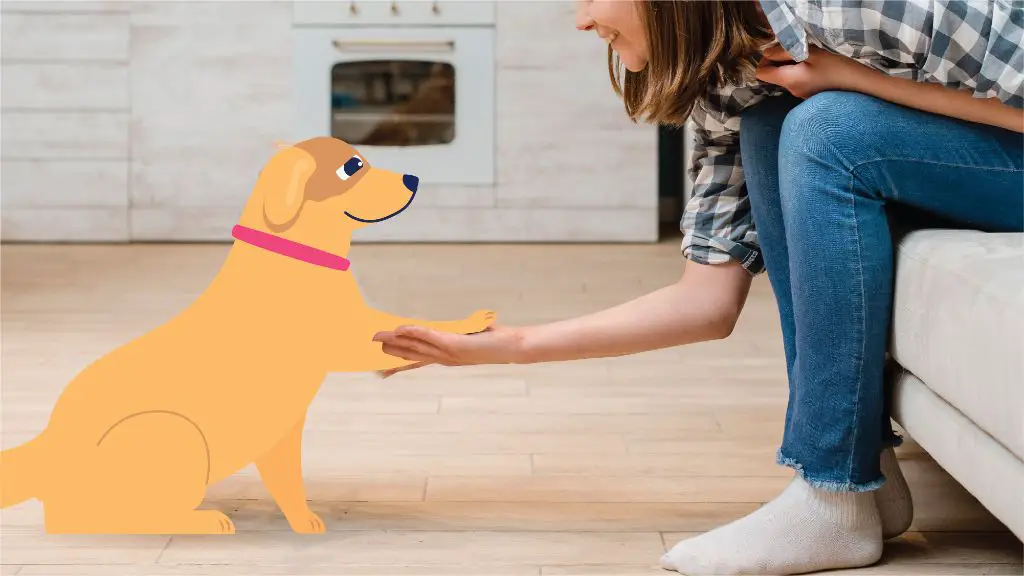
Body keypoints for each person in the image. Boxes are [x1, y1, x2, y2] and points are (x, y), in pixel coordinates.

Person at [372, 1, 1024, 574]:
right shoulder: (734, 79)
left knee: (825, 130)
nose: (580, 19)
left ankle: (833, 495)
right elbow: (706, 302)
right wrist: (509, 345)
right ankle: (864, 477)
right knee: (777, 124)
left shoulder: (845, 7)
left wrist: (851, 77)